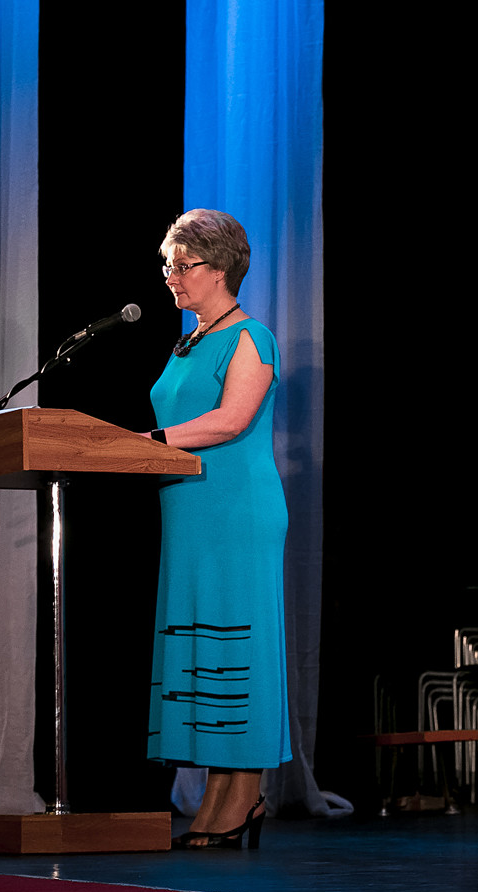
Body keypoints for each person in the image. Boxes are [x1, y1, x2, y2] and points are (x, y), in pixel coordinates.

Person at [143, 209, 290, 850]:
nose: (171, 277)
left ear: (221, 268)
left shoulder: (251, 336)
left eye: (183, 265)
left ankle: (246, 795)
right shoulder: (189, 342)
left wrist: (151, 442)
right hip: (189, 511)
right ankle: (215, 797)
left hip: (236, 511)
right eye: (167, 265)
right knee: (204, 648)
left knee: (237, 647)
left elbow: (231, 420)